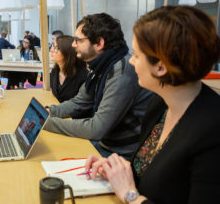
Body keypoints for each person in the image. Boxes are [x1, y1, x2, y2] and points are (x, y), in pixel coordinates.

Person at [84, 6, 220, 204]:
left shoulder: (212, 131)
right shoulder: (160, 104)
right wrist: (117, 172)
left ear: (161, 66)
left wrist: (130, 195)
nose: (131, 62)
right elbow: (150, 172)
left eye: (137, 55)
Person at [44, 13, 152, 159]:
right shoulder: (101, 66)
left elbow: (97, 128)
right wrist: (50, 111)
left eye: (78, 40)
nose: (73, 44)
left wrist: (47, 123)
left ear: (99, 43)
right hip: (106, 145)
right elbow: (80, 102)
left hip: (119, 154)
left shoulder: (121, 71)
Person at [50, 35, 87, 102]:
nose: (51, 50)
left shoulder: (82, 76)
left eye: (56, 48)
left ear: (67, 52)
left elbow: (82, 104)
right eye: (52, 46)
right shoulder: (54, 72)